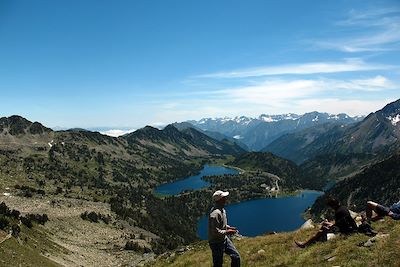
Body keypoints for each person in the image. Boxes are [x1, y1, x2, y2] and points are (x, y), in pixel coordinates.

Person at [208, 190, 240, 267]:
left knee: (236, 256)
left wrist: (229, 227)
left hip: (224, 239)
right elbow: (215, 231)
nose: (226, 199)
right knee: (218, 264)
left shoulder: (222, 209)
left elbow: (221, 224)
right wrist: (227, 231)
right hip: (216, 243)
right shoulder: (215, 214)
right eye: (224, 197)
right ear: (220, 200)